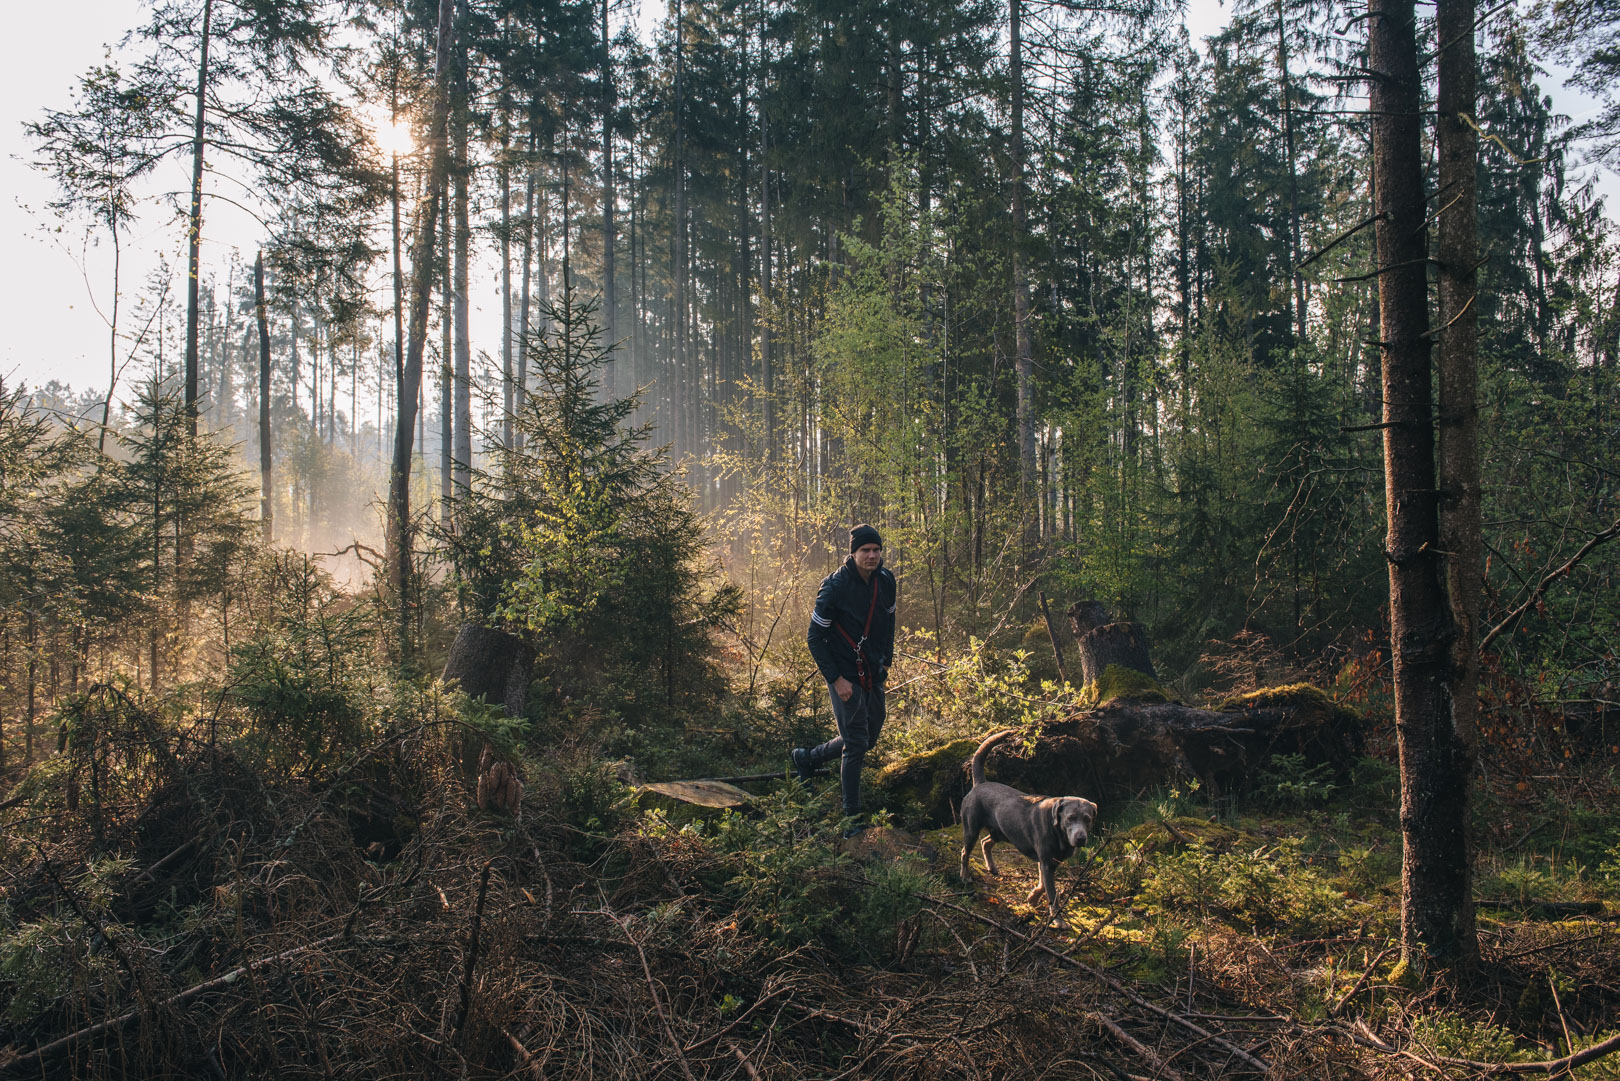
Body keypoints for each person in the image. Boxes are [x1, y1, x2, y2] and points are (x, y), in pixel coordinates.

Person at [792, 524, 897, 835]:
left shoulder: (886, 580)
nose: (872, 555)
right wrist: (837, 679)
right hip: (843, 674)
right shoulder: (835, 587)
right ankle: (852, 819)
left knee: (869, 737)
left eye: (876, 550)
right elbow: (814, 638)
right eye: (865, 550)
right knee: (855, 743)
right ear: (853, 553)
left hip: (873, 671)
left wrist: (885, 661)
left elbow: (888, 622)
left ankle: (807, 758)